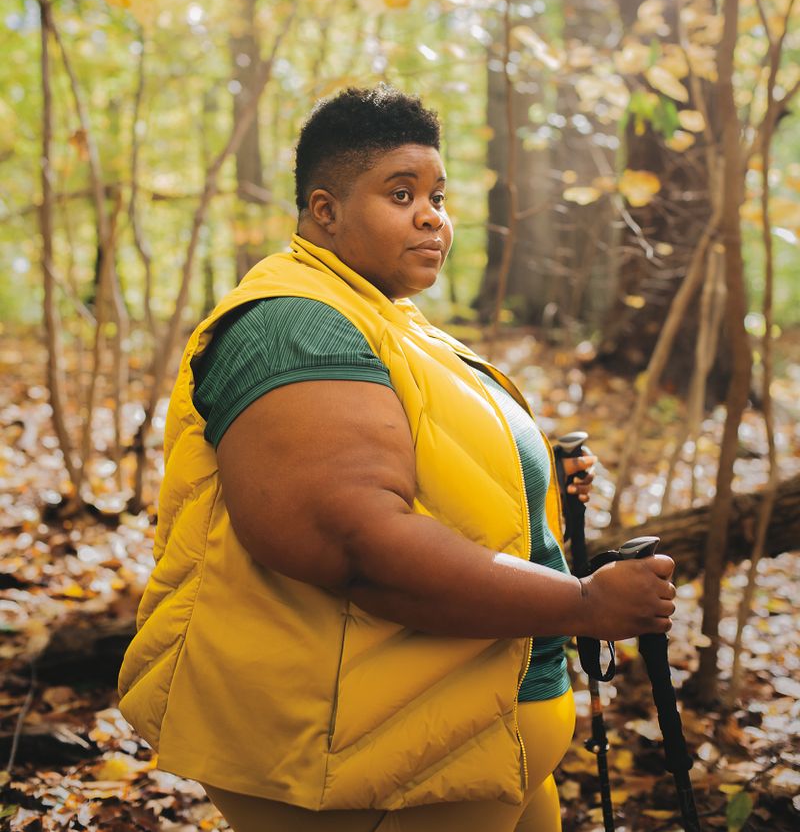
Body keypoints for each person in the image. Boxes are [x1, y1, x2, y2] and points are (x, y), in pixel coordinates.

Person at [118, 86, 675, 832]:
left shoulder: (387, 319)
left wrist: (535, 475)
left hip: (467, 733)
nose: (431, 216)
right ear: (326, 211)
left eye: (438, 195)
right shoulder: (295, 328)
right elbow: (360, 541)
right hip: (359, 757)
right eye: (401, 192)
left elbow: (429, 465)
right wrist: (584, 605)